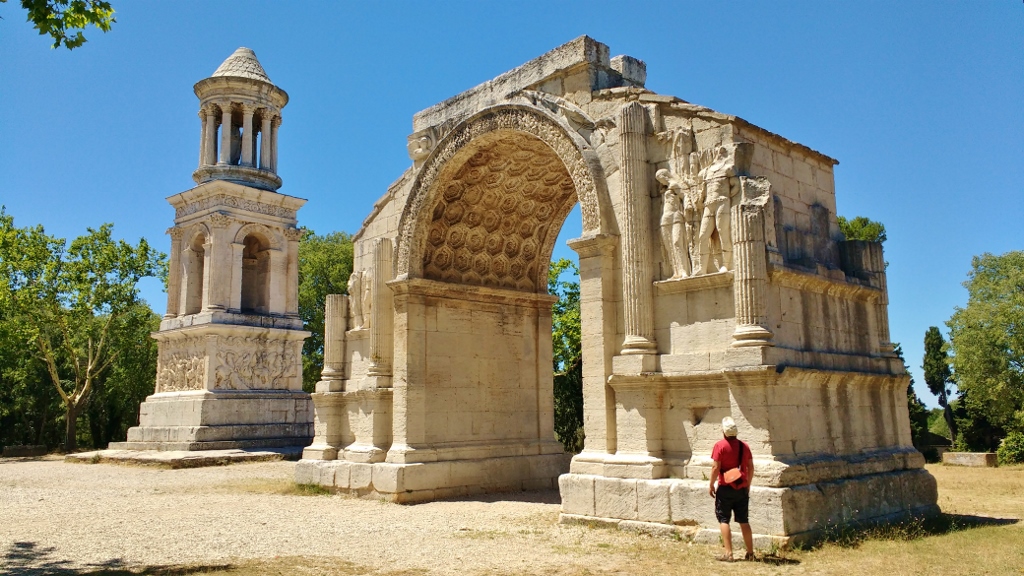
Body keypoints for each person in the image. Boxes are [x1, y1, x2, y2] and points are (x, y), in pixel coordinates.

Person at [709, 416, 755, 562]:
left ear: (723, 431)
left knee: (724, 519)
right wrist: (748, 484)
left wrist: (711, 484)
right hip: (741, 488)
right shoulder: (744, 446)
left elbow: (716, 467)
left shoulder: (720, 446)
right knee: (744, 520)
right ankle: (750, 553)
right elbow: (750, 467)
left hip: (725, 488)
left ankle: (729, 553)